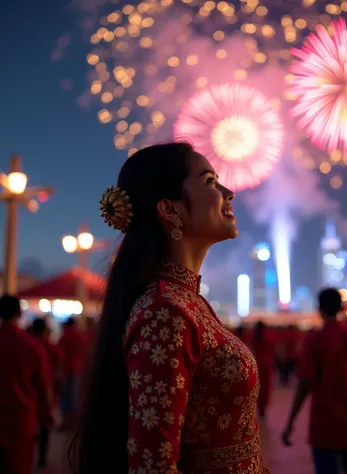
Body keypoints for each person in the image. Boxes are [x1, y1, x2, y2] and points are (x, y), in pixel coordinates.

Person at [68, 143, 268, 473]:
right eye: (209, 182)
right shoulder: (166, 313)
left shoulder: (186, 301)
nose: (228, 192)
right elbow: (153, 466)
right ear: (170, 210)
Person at [282, 288, 347, 474]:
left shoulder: (314, 340)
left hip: (324, 425)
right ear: (341, 307)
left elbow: (304, 385)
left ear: (320, 309)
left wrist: (291, 421)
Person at [0, 295, 53, 474]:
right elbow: (44, 386)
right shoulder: (32, 346)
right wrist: (47, 414)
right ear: (20, 313)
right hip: (21, 421)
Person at [30, 317, 62, 468]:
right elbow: (57, 366)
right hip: (46, 388)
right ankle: (42, 456)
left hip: (28, 391)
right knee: (44, 423)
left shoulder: (28, 344)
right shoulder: (48, 345)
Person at [58, 317, 87, 430]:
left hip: (65, 370)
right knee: (74, 396)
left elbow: (60, 356)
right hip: (77, 369)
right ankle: (73, 422)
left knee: (65, 396)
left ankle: (66, 421)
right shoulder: (79, 336)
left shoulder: (63, 337)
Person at [250, 321, 275, 419]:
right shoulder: (268, 336)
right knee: (265, 387)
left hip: (256, 364)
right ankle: (263, 410)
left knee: (256, 387)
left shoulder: (253, 336)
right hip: (267, 365)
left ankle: (256, 407)